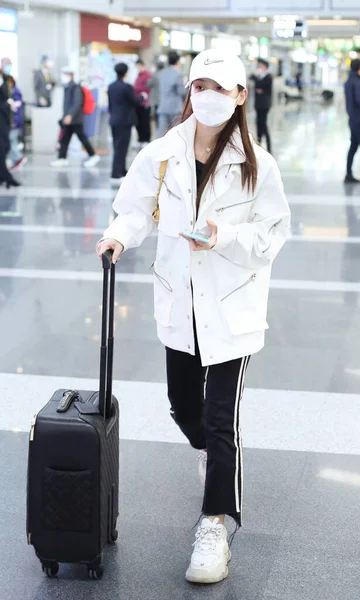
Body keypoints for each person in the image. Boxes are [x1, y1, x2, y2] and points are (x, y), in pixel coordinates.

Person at [96, 48, 290, 585]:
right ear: (189, 92)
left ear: (240, 96)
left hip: (232, 306)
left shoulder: (259, 165)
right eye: (200, 86)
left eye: (220, 88)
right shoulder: (160, 154)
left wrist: (222, 235)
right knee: (184, 407)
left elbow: (273, 234)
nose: (208, 96)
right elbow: (135, 208)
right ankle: (212, 460)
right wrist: (117, 236)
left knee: (220, 417)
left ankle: (214, 524)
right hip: (180, 301)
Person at [51, 67, 100, 169]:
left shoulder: (76, 87)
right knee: (65, 138)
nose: (63, 76)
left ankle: (93, 155)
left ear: (70, 75)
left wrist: (70, 115)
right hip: (69, 118)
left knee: (82, 137)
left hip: (75, 119)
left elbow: (77, 103)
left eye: (64, 74)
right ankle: (62, 158)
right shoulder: (68, 87)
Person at [108, 62, 140, 185]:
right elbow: (134, 101)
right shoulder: (126, 87)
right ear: (126, 73)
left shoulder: (111, 86)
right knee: (121, 148)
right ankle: (116, 173)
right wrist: (142, 97)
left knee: (118, 146)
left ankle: (121, 170)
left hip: (114, 120)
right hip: (124, 121)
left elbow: (110, 105)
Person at [156, 51, 186, 137]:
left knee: (161, 134)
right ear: (178, 61)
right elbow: (182, 92)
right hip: (174, 108)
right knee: (175, 134)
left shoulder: (162, 73)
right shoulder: (177, 74)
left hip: (163, 106)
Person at [0, 69, 20, 187]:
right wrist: (8, 104)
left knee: (5, 146)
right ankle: (5, 176)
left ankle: (4, 176)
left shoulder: (5, 80)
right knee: (3, 146)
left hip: (4, 119)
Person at [250, 58, 273, 153]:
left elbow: (260, 85)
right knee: (258, 124)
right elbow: (255, 82)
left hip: (265, 105)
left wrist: (257, 84)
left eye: (260, 66)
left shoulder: (268, 76)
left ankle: (268, 146)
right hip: (258, 104)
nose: (259, 67)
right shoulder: (260, 76)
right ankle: (258, 144)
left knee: (263, 124)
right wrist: (257, 84)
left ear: (264, 66)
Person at [7, 76, 27, 170]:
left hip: (12, 122)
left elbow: (17, 110)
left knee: (11, 140)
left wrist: (14, 121)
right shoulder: (10, 92)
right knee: (11, 141)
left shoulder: (15, 92)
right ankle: (15, 159)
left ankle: (18, 158)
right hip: (9, 122)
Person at [134, 59, 152, 148]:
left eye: (139, 66)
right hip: (138, 102)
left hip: (145, 102)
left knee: (145, 122)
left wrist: (138, 89)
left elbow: (148, 88)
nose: (138, 68)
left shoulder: (148, 76)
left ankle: (146, 139)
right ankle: (140, 139)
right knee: (138, 122)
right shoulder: (138, 76)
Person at [149, 61, 164, 126]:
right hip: (163, 99)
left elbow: (149, 84)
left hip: (157, 99)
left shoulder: (155, 75)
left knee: (157, 117)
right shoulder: (165, 74)